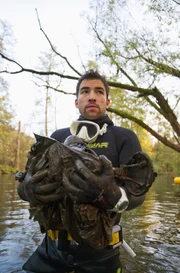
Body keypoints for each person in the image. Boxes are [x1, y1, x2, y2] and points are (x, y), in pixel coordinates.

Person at [17, 70, 146, 273]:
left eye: (99, 91)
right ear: (77, 102)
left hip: (100, 255)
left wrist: (110, 195)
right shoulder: (56, 137)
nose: (92, 96)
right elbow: (24, 184)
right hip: (50, 250)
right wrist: (27, 189)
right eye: (85, 91)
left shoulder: (124, 137)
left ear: (108, 101)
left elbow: (139, 194)